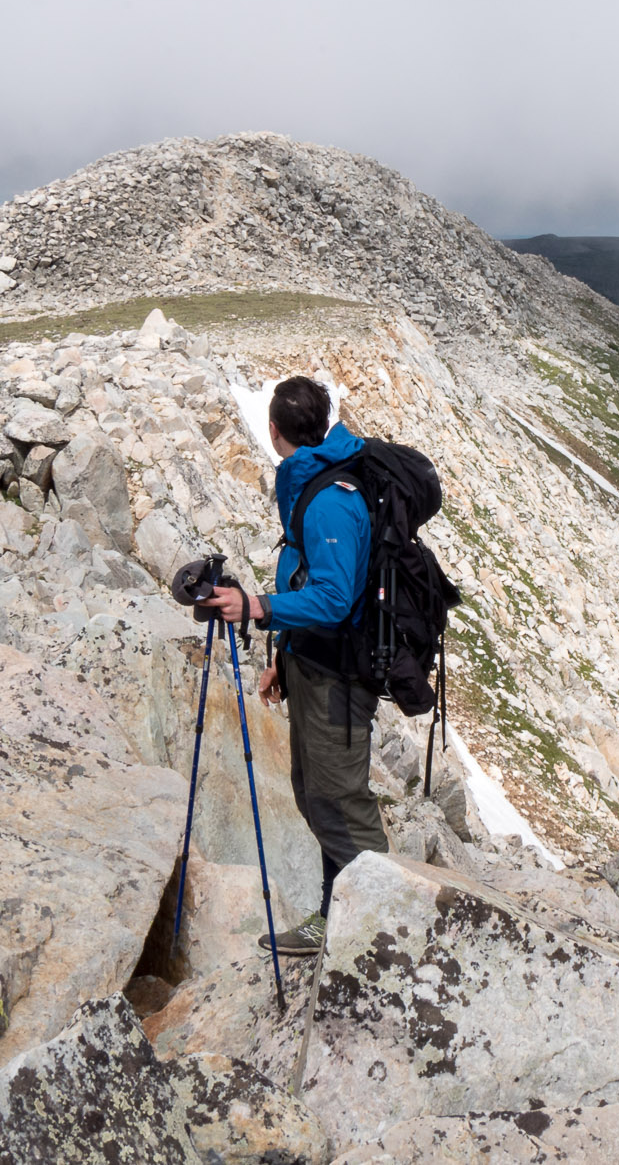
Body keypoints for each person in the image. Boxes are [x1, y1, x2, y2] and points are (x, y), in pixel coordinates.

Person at [206, 374, 388, 956]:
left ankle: (380, 931)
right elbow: (312, 582)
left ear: (274, 428)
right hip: (313, 664)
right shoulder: (314, 481)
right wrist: (284, 657)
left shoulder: (331, 499)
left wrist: (259, 608)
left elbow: (335, 597)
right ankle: (336, 916)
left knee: (340, 802)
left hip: (339, 676)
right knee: (316, 794)